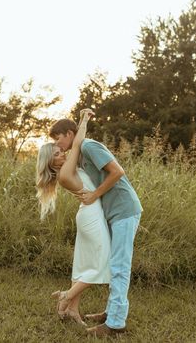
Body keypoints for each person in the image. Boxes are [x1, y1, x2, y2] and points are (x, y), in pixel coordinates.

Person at [49, 114, 143, 337]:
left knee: (119, 267)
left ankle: (116, 324)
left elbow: (118, 172)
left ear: (69, 134)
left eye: (58, 138)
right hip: (111, 213)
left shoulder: (89, 146)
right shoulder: (79, 154)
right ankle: (111, 312)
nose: (57, 144)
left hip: (124, 210)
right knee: (114, 264)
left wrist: (94, 195)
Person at [36, 109, 111, 326]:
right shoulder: (65, 172)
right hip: (91, 216)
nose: (62, 153)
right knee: (101, 262)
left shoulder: (68, 169)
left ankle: (73, 310)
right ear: (52, 162)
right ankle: (66, 296)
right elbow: (77, 144)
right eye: (57, 154)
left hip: (89, 213)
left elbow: (76, 147)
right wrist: (84, 120)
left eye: (60, 151)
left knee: (82, 264)